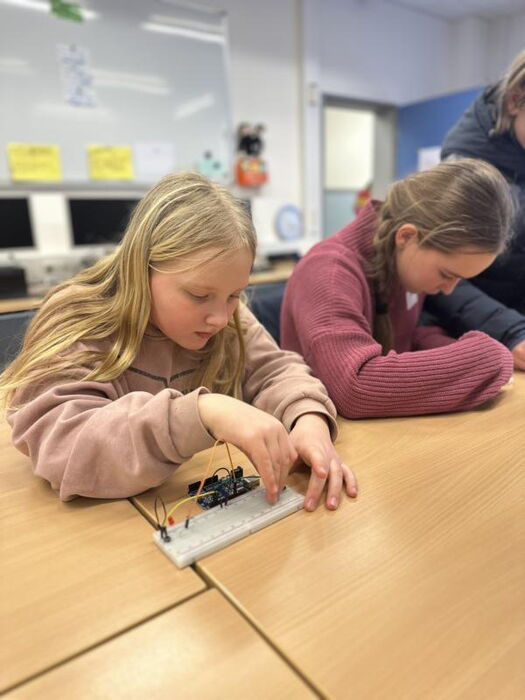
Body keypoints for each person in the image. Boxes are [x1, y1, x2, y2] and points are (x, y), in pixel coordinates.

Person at [0, 172, 357, 512]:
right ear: (142, 268)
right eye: (199, 295)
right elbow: (64, 447)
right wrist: (202, 413)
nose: (221, 318)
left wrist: (307, 418)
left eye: (234, 294)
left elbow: (276, 371)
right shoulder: (80, 319)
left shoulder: (229, 318)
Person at [281, 159, 514, 419]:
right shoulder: (328, 272)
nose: (449, 290)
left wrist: (452, 352)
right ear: (407, 236)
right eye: (446, 274)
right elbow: (354, 388)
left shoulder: (401, 262)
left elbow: (404, 337)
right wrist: (485, 359)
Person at [427, 49, 525, 370]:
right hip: (474, 336)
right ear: (515, 101)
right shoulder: (465, 173)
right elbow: (440, 281)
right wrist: (511, 331)